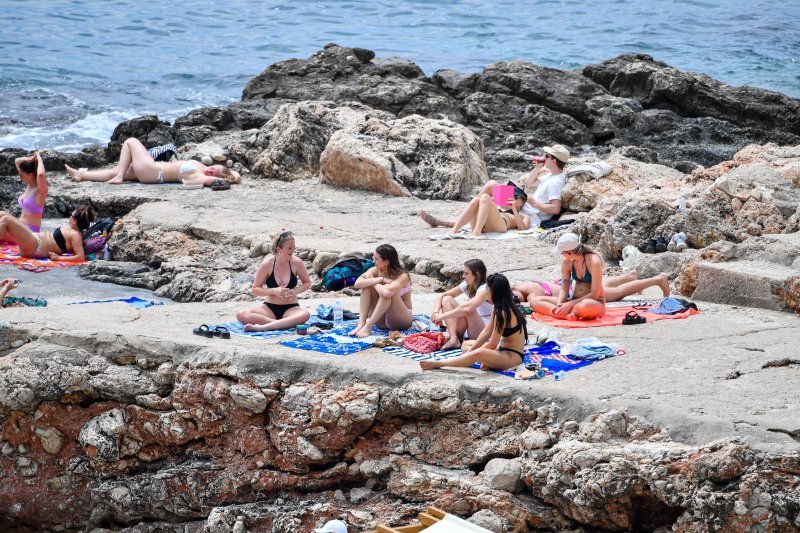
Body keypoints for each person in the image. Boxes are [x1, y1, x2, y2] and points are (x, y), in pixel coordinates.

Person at [419, 144, 570, 234]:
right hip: (526, 205)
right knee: (491, 185)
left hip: (529, 212)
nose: (544, 157)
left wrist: (535, 203)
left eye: (547, 156)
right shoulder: (550, 176)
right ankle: (458, 221)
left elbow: (555, 209)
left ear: (554, 160)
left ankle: (456, 222)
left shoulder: (556, 181)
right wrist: (538, 168)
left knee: (491, 185)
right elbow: (530, 182)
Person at [529, 233, 671, 320]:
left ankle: (658, 279)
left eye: (563, 252)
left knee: (610, 296)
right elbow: (565, 287)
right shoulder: (567, 262)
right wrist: (561, 303)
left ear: (570, 252)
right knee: (535, 301)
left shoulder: (593, 261)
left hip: (593, 300)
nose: (562, 255)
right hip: (574, 300)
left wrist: (569, 304)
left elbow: (595, 293)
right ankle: (565, 315)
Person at [421, 273, 527, 371]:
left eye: (486, 288)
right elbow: (486, 331)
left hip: (513, 357)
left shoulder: (503, 312)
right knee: (467, 344)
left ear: (493, 291)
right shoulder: (499, 306)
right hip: (502, 350)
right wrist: (473, 350)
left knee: (478, 352)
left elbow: (492, 344)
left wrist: (472, 354)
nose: (485, 291)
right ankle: (477, 358)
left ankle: (439, 363)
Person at [64, 137, 240, 186]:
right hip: (152, 171)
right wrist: (232, 176)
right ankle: (81, 175)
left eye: (212, 172)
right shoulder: (203, 167)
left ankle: (118, 176)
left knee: (131, 142)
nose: (210, 170)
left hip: (153, 172)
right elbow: (235, 175)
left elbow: (214, 180)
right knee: (120, 169)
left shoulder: (199, 175)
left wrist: (219, 179)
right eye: (214, 168)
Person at [236, 231, 312, 332]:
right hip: (269, 309)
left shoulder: (297, 262)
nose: (293, 250)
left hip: (291, 308)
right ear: (279, 249)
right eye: (289, 248)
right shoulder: (267, 264)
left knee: (305, 314)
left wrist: (295, 291)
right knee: (241, 314)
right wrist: (273, 291)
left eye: (294, 246)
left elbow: (307, 283)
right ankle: (283, 324)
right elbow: (255, 289)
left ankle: (263, 327)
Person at [348, 244, 413, 338]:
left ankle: (368, 326)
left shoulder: (402, 276)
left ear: (386, 262)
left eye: (376, 259)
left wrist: (375, 282)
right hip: (380, 320)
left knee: (386, 290)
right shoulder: (374, 270)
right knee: (367, 286)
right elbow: (357, 284)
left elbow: (387, 293)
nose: (373, 261)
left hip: (400, 320)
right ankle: (362, 323)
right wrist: (378, 280)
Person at [430, 259, 493, 349]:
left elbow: (467, 309)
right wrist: (435, 313)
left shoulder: (485, 289)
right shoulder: (468, 285)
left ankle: (456, 339)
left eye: (466, 273)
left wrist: (442, 317)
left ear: (477, 274)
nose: (463, 276)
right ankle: (454, 338)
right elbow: (443, 295)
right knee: (446, 299)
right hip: (472, 325)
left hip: (485, 331)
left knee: (467, 307)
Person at [0, 206, 95, 262]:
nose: (69, 218)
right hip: (34, 238)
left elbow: (80, 257)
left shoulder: (76, 235)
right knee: (3, 214)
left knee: (5, 220)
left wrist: (59, 258)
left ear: (74, 221)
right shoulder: (71, 230)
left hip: (35, 247)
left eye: (71, 216)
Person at [512, 270, 646, 307]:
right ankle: (628, 277)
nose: (516, 300)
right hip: (571, 286)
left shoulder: (531, 290)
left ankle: (656, 280)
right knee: (603, 284)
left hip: (576, 291)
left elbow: (533, 303)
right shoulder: (521, 287)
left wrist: (520, 304)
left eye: (515, 299)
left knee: (619, 293)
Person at [0, 152, 48, 242]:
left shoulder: (40, 190)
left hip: (30, 233)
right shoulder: (30, 185)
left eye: (21, 175)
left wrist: (40, 159)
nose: (19, 177)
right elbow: (17, 161)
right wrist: (30, 159)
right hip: (19, 226)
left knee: (4, 221)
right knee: (1, 213)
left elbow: (41, 175)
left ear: (30, 175)